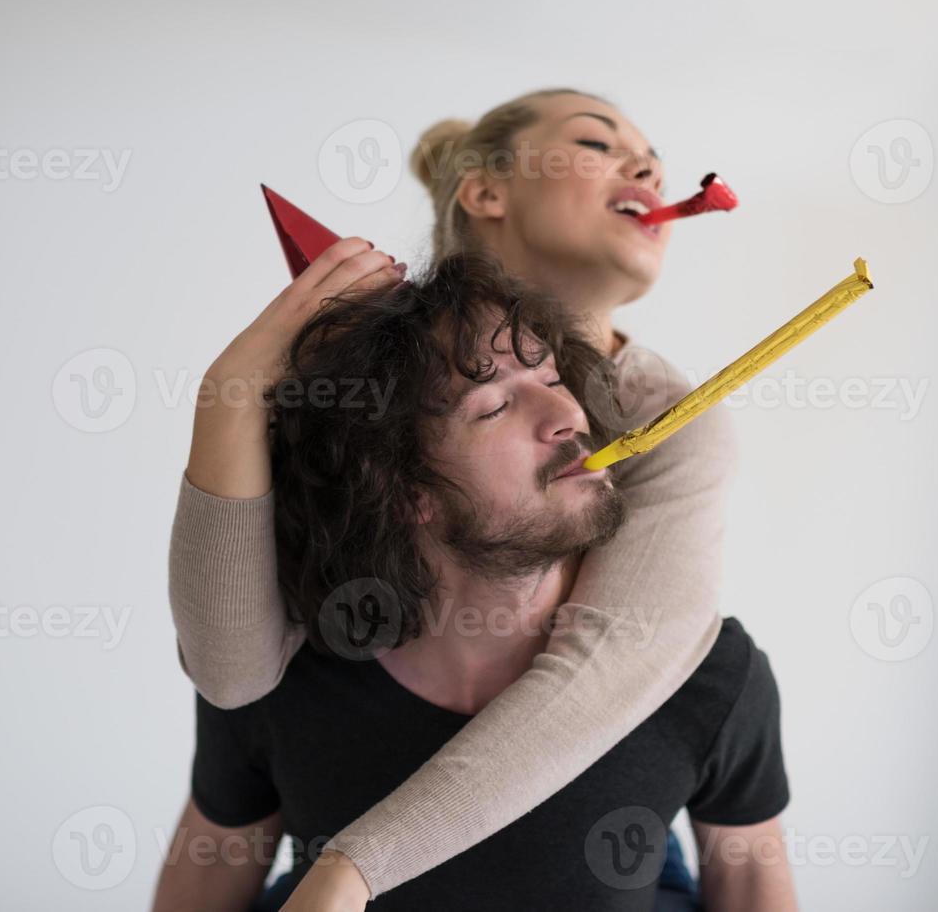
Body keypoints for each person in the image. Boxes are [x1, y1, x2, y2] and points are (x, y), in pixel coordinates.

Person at [168, 89, 741, 908]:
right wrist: (230, 392)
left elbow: (610, 668)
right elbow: (231, 677)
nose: (649, 164)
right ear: (484, 192)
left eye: (551, 381)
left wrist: (349, 869)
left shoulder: (673, 423)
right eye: (595, 140)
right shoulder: (359, 403)